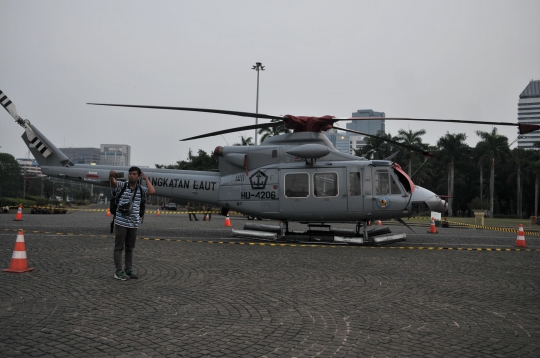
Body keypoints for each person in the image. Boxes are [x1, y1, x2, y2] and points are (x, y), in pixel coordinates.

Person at [109, 167, 155, 281]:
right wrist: (111, 174)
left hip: (134, 223)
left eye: (134, 174)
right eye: (130, 174)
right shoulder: (122, 185)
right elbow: (113, 182)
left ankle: (128, 269)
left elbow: (152, 191)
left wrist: (146, 178)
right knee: (119, 247)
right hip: (121, 222)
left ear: (138, 176)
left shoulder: (141, 189)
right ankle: (118, 271)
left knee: (130, 248)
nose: (131, 176)